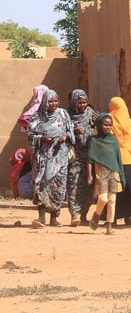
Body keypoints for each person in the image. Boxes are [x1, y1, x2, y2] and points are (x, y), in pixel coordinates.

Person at [27, 89, 75, 228]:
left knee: (58, 187)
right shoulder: (36, 117)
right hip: (42, 158)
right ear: (44, 102)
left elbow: (70, 130)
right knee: (41, 185)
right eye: (50, 101)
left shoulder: (63, 114)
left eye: (56, 101)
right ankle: (41, 217)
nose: (54, 104)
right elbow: (29, 136)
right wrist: (42, 138)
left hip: (60, 157)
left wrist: (65, 137)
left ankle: (54, 218)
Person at [87, 113, 124, 235]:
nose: (108, 127)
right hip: (101, 173)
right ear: (99, 125)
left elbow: (118, 158)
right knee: (103, 198)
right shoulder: (94, 140)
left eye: (110, 125)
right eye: (105, 125)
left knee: (112, 200)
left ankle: (109, 226)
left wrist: (121, 173)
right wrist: (90, 175)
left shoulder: (113, 140)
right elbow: (90, 159)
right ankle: (97, 215)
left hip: (114, 172)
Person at [66, 89, 96, 226]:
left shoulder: (91, 114)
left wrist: (97, 122)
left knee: (88, 187)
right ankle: (74, 214)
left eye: (84, 102)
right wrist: (73, 131)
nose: (83, 105)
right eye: (79, 103)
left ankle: (84, 215)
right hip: (75, 157)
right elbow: (61, 131)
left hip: (90, 157)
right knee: (73, 185)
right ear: (73, 103)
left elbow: (100, 131)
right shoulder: (66, 115)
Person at [109, 96, 131, 226]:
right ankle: (128, 216)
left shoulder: (109, 120)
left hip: (115, 159)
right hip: (130, 159)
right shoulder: (130, 122)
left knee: (115, 189)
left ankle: (113, 217)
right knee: (129, 189)